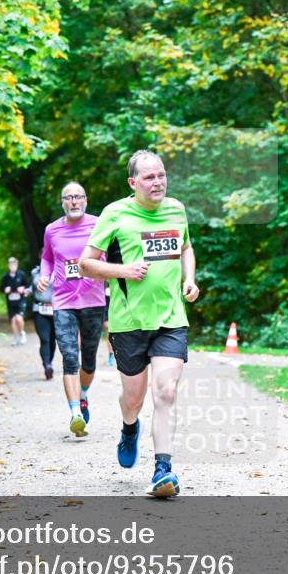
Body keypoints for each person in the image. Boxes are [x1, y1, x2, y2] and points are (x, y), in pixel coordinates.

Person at [80, 150, 199, 498]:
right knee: (132, 399)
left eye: (161, 175)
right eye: (149, 177)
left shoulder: (176, 209)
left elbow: (186, 247)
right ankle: (129, 428)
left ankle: (163, 469)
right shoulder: (115, 214)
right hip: (128, 321)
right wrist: (124, 271)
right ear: (133, 183)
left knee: (165, 391)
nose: (157, 182)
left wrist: (188, 279)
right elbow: (87, 264)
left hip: (171, 319)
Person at [37, 182, 107, 437]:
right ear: (62, 202)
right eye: (69, 198)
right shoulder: (52, 230)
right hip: (64, 302)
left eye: (78, 197)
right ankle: (75, 412)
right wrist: (44, 276)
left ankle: (84, 395)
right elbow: (47, 258)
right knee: (69, 357)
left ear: (86, 200)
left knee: (88, 361)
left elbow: (110, 254)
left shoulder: (99, 224)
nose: (74, 202)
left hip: (93, 301)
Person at [30, 264, 56, 379]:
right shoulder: (35, 272)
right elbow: (31, 287)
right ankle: (47, 365)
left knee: (52, 340)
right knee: (44, 339)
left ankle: (49, 362)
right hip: (40, 310)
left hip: (56, 310)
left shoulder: (60, 268)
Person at [0, 257, 30, 345]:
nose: (13, 266)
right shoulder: (5, 277)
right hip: (10, 301)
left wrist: (23, 288)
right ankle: (16, 337)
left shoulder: (21, 274)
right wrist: (5, 289)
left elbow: (27, 285)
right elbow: (1, 288)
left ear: (17, 265)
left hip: (20, 300)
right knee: (13, 320)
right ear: (8, 265)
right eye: (11, 264)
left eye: (14, 264)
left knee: (19, 318)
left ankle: (22, 333)